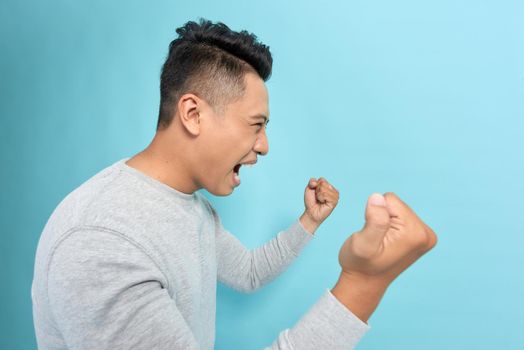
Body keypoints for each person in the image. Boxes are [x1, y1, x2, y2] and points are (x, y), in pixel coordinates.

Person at [31, 18, 437, 350]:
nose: (263, 146)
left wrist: (308, 222)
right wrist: (364, 282)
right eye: (255, 126)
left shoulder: (189, 205)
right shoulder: (102, 240)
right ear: (192, 113)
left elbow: (248, 272)